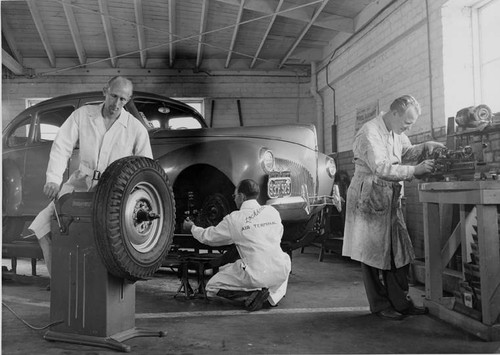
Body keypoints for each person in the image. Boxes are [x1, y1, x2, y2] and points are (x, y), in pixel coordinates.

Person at [28, 76, 153, 278]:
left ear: (128, 99)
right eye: (114, 96)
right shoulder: (82, 115)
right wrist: (53, 179)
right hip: (79, 185)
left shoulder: (136, 129)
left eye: (123, 99)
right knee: (41, 227)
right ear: (105, 91)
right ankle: (60, 283)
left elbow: (146, 169)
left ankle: (91, 288)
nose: (117, 104)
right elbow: (61, 146)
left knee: (102, 242)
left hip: (113, 193)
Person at [342, 95, 445, 320]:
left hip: (389, 196)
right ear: (395, 113)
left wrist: (425, 146)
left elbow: (405, 153)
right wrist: (414, 171)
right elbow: (380, 167)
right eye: (407, 122)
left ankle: (401, 302)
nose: (408, 127)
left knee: (399, 250)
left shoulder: (395, 131)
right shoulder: (370, 132)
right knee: (372, 254)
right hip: (368, 197)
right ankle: (380, 305)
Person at [183, 179, 291, 311]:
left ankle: (251, 296)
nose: (234, 200)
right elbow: (276, 236)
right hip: (281, 269)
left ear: (242, 196)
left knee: (212, 286)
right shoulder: (272, 211)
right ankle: (271, 298)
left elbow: (209, 237)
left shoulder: (234, 219)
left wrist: (192, 228)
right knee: (278, 264)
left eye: (234, 196)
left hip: (256, 274)